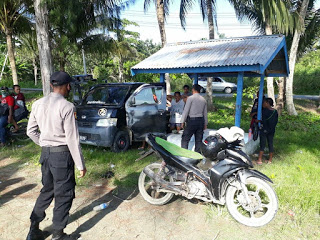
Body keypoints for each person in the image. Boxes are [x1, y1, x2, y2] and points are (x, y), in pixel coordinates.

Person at [26, 71, 86, 240]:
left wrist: (44, 144)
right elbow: (72, 139)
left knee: (47, 190)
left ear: (52, 85)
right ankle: (58, 234)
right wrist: (80, 164)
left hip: (46, 155)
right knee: (64, 193)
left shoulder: (37, 104)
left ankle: (33, 230)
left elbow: (30, 131)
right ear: (68, 86)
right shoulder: (67, 107)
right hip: (62, 156)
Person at [181, 84, 208, 153]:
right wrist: (205, 124)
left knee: (185, 138)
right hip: (201, 121)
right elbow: (205, 113)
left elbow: (186, 110)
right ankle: (197, 155)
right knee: (198, 140)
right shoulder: (203, 99)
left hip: (192, 121)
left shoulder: (190, 98)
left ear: (193, 90)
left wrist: (182, 121)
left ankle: (184, 154)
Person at [256, 98, 278, 165]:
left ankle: (259, 159)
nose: (263, 104)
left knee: (262, 144)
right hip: (272, 130)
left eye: (264, 102)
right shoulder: (275, 111)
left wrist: (259, 121)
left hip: (264, 129)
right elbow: (275, 121)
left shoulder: (265, 111)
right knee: (270, 143)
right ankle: (270, 160)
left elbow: (264, 120)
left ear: (267, 103)